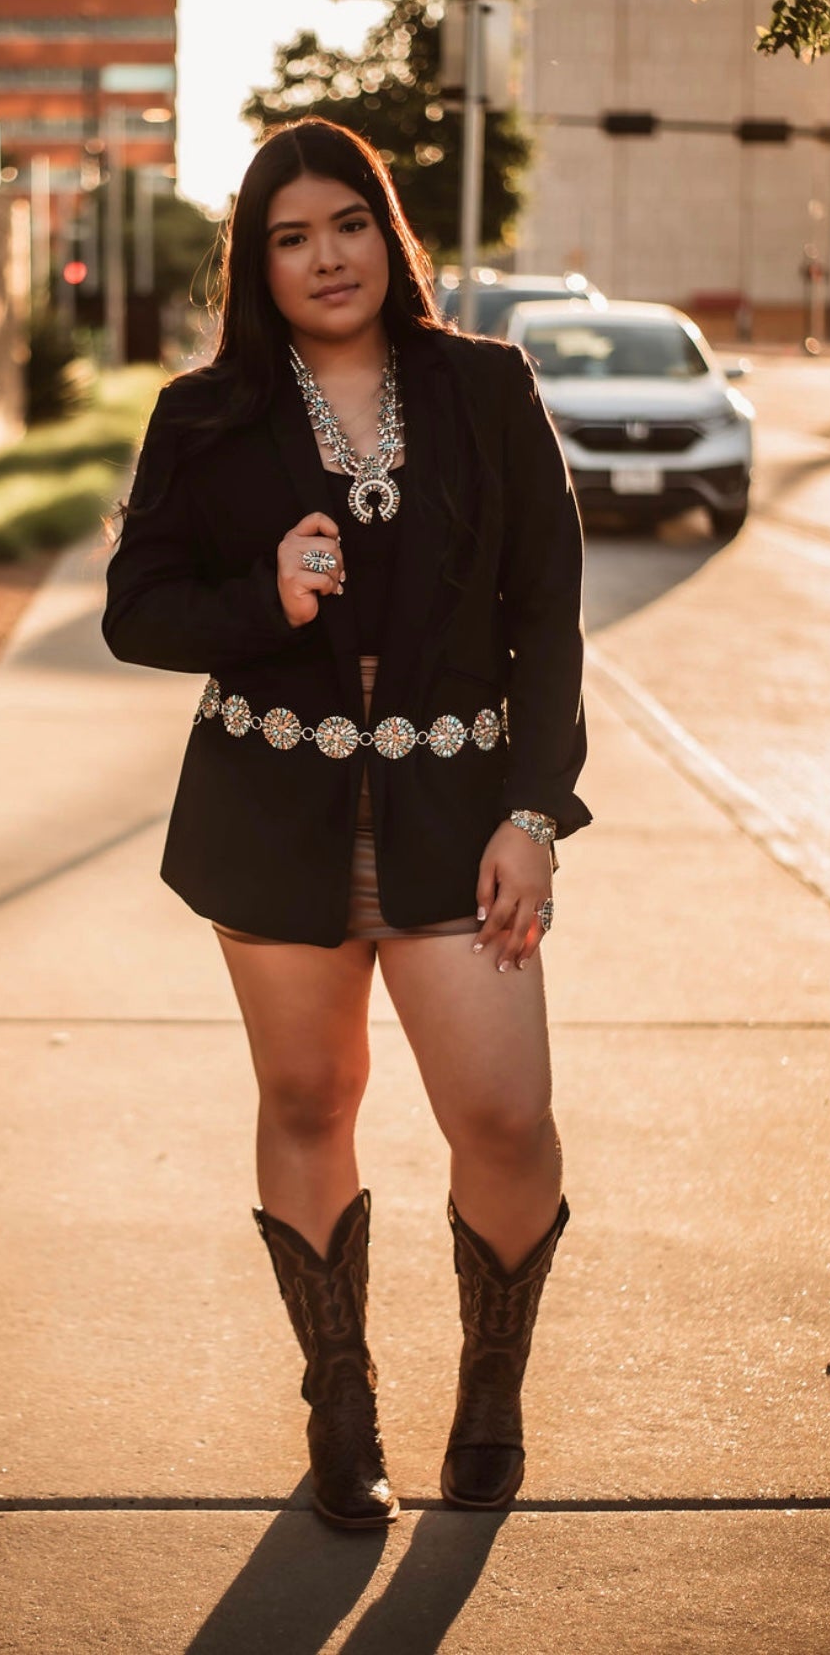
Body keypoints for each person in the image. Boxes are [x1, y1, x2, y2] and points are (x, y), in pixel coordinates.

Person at [102, 118, 590, 1529]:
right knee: (311, 1100)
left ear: (389, 233)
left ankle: (490, 1391)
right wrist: (264, 597)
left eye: (349, 224)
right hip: (277, 808)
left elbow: (548, 619)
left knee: (504, 1114)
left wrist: (533, 813)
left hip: (460, 814)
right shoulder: (206, 416)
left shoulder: (487, 388)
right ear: (257, 261)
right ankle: (341, 1405)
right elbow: (139, 612)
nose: (327, 257)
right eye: (292, 236)